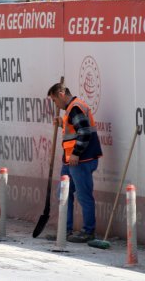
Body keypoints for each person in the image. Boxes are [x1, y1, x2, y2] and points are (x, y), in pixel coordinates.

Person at [47, 83, 102, 243]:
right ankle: (65, 230)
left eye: (55, 100)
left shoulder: (75, 108)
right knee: (63, 193)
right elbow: (76, 128)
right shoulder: (72, 109)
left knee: (84, 195)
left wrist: (76, 154)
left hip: (81, 160)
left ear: (62, 93)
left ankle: (88, 231)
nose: (56, 104)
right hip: (72, 161)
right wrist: (62, 124)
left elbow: (84, 132)